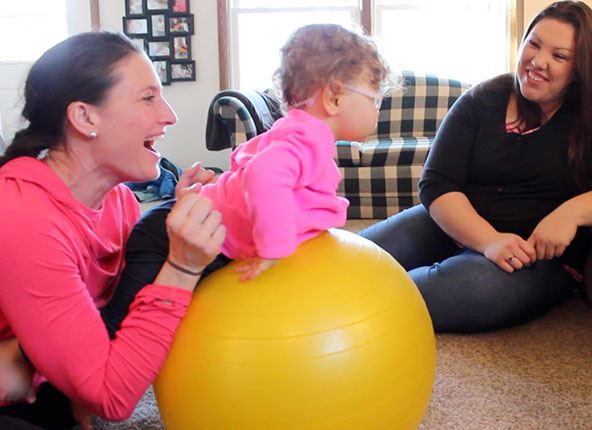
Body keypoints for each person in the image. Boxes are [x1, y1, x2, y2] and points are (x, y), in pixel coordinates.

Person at [360, 0, 592, 333]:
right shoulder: (482, 99)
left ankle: (353, 312)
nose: (538, 61)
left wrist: (571, 213)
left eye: (560, 55)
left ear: (581, 67)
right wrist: (489, 240)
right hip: (456, 224)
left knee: (454, 292)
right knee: (357, 258)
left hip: (534, 257)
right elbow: (437, 184)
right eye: (534, 44)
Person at [98, 22, 397, 336]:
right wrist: (274, 247)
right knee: (121, 327)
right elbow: (263, 174)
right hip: (172, 238)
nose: (377, 110)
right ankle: (60, 375)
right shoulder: (310, 137)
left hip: (190, 227)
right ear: (334, 98)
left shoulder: (295, 130)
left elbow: (248, 164)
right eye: (374, 100)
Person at [0, 31, 227, 429]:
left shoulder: (119, 200)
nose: (170, 115)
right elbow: (112, 397)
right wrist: (182, 266)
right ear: (85, 118)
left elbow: (123, 312)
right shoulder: (21, 213)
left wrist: (27, 357)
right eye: (148, 97)